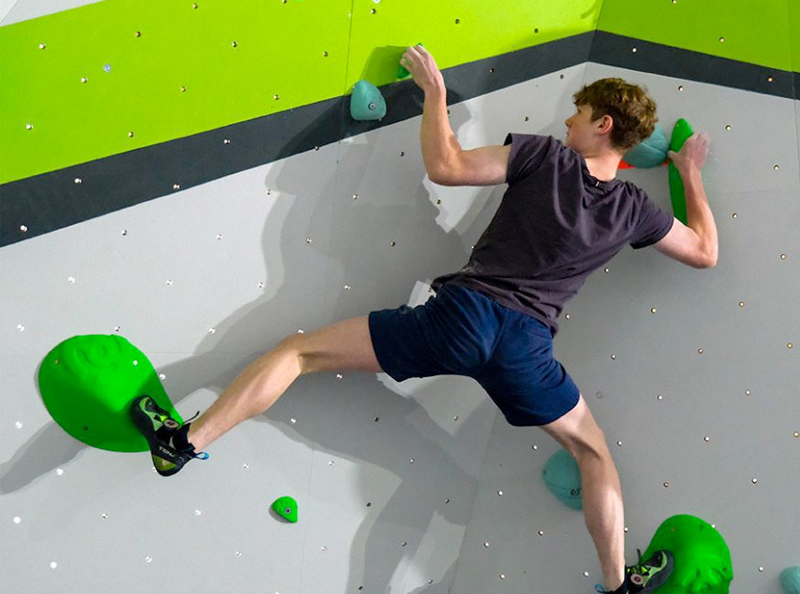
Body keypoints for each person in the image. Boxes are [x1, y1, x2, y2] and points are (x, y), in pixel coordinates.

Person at [131, 45, 717, 594]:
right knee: (593, 455)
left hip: (465, 316)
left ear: (604, 125)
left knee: (297, 353)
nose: (568, 122)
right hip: (527, 349)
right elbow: (705, 253)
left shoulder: (547, 156)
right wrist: (690, 173)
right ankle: (618, 585)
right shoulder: (637, 210)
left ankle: (181, 443)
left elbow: (447, 165)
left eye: (578, 113)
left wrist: (435, 94)